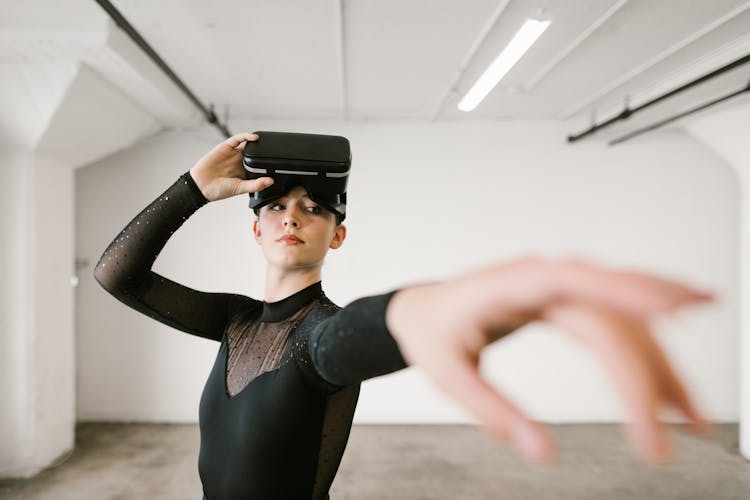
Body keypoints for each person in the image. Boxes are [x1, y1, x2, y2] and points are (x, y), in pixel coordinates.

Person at [94, 131, 714, 499]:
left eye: (314, 208)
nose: (292, 216)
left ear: (336, 236)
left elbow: (361, 332)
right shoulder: (234, 321)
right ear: (255, 228)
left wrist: (425, 309)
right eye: (277, 205)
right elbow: (115, 274)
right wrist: (194, 189)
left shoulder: (318, 339)